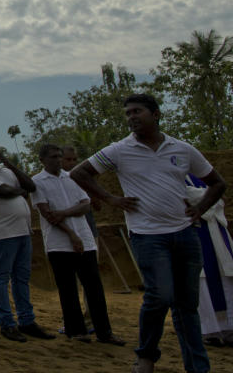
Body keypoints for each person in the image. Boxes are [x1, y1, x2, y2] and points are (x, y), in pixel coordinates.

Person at [70, 93, 226, 373]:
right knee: (160, 296)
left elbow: (217, 183)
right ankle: (145, 355)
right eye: (128, 113)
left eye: (137, 111)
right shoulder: (119, 150)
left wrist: (200, 208)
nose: (131, 117)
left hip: (186, 233)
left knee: (187, 305)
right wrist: (111, 199)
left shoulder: (182, 149)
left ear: (155, 115)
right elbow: (80, 173)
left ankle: (198, 366)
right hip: (148, 236)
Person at [30, 144, 124, 345]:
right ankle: (76, 330)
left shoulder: (73, 177)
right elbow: (47, 214)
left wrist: (63, 213)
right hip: (58, 244)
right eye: (54, 157)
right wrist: (71, 234)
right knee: (67, 289)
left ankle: (104, 332)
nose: (58, 160)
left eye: (59, 156)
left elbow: (86, 205)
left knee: (94, 288)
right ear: (42, 160)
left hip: (86, 240)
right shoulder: (37, 182)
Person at [0, 137, 54, 342]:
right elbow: (5, 192)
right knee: (1, 279)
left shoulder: (5, 171)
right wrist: (20, 192)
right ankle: (7, 323)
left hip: (21, 232)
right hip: (0, 235)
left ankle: (27, 321)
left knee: (21, 278)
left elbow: (30, 186)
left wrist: (10, 164)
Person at [186, 173, 233, 347]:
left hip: (216, 234)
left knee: (226, 280)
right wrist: (212, 195)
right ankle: (209, 330)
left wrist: (210, 195)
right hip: (196, 231)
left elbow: (216, 196)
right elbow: (185, 195)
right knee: (202, 281)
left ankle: (229, 328)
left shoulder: (200, 175)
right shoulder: (172, 174)